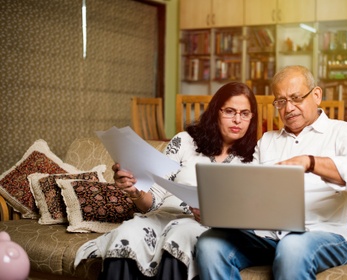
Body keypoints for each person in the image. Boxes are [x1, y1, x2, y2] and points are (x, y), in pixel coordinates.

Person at [195, 65, 347, 280]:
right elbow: (249, 191)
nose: (288, 108)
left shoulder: (342, 132)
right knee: (209, 243)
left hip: (322, 235)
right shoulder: (268, 141)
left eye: (296, 98)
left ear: (316, 95)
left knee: (292, 246)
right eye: (281, 101)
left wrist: (310, 162)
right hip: (268, 238)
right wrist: (217, 209)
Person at [74, 81, 259, 280]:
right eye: (230, 111)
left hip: (205, 225)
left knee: (180, 235)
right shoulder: (185, 141)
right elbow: (152, 202)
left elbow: (249, 215)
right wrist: (135, 191)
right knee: (128, 232)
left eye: (245, 113)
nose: (237, 120)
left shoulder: (255, 156)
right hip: (164, 215)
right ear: (216, 112)